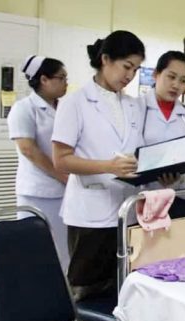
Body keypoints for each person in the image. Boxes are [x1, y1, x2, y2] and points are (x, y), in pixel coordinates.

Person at [52, 30, 145, 300]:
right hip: (89, 215)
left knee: (121, 290)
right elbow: (62, 160)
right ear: (105, 59)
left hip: (126, 212)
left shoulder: (133, 105)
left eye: (136, 69)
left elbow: (135, 150)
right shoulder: (74, 103)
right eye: (127, 66)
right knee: (85, 292)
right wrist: (109, 166)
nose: (130, 75)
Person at [8, 55, 70, 270]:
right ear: (44, 79)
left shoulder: (65, 108)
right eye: (61, 78)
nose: (66, 83)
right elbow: (28, 149)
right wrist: (60, 174)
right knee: (34, 247)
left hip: (63, 191)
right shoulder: (24, 108)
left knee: (63, 250)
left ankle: (62, 295)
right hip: (37, 191)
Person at [140, 50, 185, 190]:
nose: (176, 85)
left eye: (183, 81)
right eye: (171, 77)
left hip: (181, 194)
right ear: (156, 74)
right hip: (144, 194)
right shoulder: (137, 108)